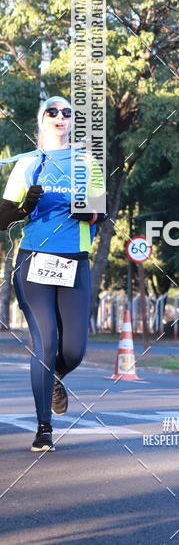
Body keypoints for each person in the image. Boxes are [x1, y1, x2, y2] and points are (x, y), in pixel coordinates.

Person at [0, 96, 106, 452]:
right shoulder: (27, 165)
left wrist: (85, 210)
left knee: (74, 350)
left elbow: (99, 215)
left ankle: (55, 377)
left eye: (67, 112)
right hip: (35, 263)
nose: (61, 116)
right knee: (44, 342)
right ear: (41, 120)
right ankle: (43, 427)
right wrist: (23, 207)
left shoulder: (87, 163)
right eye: (53, 111)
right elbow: (2, 220)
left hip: (74, 262)